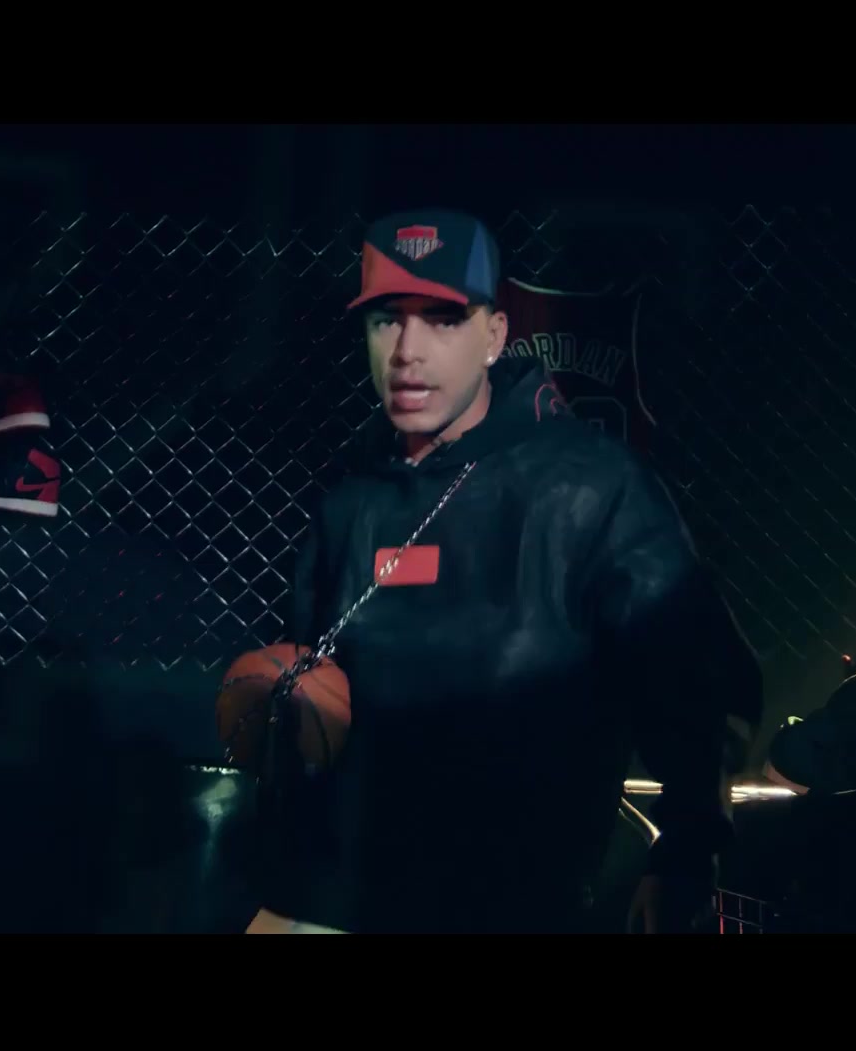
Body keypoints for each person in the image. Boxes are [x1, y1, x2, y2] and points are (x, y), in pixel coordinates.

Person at [249, 210, 762, 934]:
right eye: (387, 321)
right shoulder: (350, 502)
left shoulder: (588, 488)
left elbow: (698, 680)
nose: (407, 351)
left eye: (442, 320)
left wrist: (686, 849)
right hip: (349, 902)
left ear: (494, 335)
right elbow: (313, 706)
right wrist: (290, 888)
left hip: (518, 902)